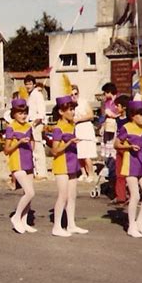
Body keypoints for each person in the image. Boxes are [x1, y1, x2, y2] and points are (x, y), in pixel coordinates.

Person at [114, 100, 142, 238]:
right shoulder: (127, 127)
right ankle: (131, 226)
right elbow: (117, 144)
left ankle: (139, 223)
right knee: (135, 196)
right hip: (130, 164)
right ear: (133, 115)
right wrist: (129, 147)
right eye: (141, 114)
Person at [51, 96, 88, 237]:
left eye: (73, 109)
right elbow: (54, 150)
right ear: (61, 111)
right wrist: (69, 143)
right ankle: (57, 226)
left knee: (72, 195)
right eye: (70, 110)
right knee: (63, 196)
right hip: (61, 164)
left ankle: (71, 225)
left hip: (72, 162)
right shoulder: (58, 128)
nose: (73, 112)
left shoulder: (71, 125)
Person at [4, 98, 36, 234]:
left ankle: (24, 221)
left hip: (28, 161)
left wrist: (31, 150)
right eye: (20, 113)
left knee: (27, 193)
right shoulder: (11, 127)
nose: (23, 116)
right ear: (14, 114)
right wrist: (19, 142)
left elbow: (33, 140)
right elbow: (6, 149)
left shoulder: (29, 126)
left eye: (24, 113)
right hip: (17, 162)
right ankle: (16, 217)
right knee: (30, 193)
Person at [24, 75, 48, 180]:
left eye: (30, 83)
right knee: (33, 149)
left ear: (34, 84)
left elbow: (41, 112)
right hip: (30, 123)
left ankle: (42, 172)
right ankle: (36, 170)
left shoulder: (37, 95)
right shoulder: (31, 95)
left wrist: (34, 123)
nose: (28, 86)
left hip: (36, 124)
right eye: (26, 84)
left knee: (38, 148)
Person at [71, 85, 97, 182]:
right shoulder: (70, 105)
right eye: (71, 94)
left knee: (86, 154)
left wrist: (79, 119)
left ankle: (91, 174)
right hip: (77, 130)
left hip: (85, 128)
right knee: (79, 154)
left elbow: (91, 115)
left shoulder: (84, 102)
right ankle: (83, 173)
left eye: (75, 94)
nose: (74, 96)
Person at [111, 95, 131, 205]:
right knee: (119, 173)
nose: (116, 108)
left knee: (130, 174)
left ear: (124, 107)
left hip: (128, 148)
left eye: (118, 106)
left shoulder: (130, 119)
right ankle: (121, 196)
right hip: (120, 148)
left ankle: (131, 195)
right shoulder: (118, 119)